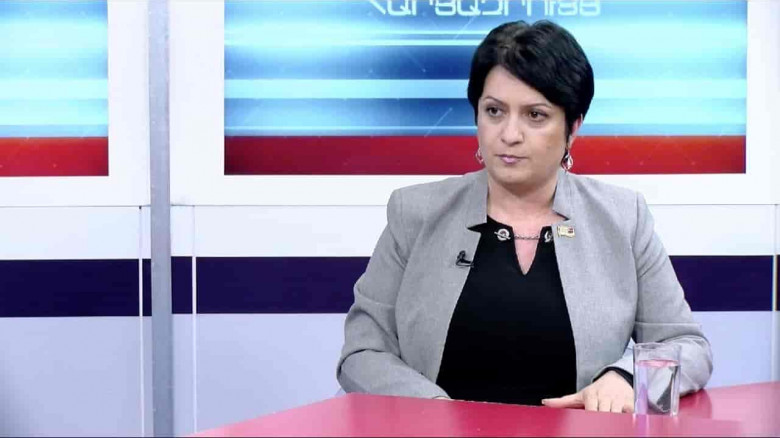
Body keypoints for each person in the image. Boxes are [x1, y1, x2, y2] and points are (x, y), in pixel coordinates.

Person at [337, 20, 712, 413]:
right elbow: (363, 352)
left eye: (535, 115)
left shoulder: (622, 217)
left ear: (573, 127)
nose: (509, 134)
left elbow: (687, 346)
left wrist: (627, 376)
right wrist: (433, 412)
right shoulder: (415, 213)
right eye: (494, 111)